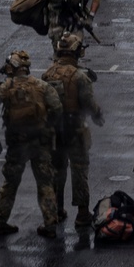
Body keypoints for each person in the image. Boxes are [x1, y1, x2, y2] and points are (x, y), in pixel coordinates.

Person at [0, 50, 62, 239]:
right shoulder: (42, 86)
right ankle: (50, 224)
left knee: (10, 184)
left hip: (16, 145)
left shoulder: (6, 87)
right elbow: (56, 108)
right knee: (45, 183)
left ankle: (0, 222)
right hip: (40, 143)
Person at [42, 33, 103, 228]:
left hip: (54, 131)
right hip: (75, 130)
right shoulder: (79, 77)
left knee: (57, 170)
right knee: (79, 170)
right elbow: (88, 103)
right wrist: (97, 115)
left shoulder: (47, 74)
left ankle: (56, 211)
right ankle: (82, 213)